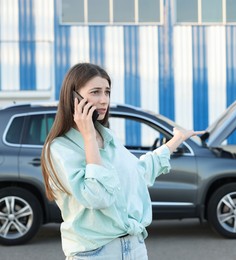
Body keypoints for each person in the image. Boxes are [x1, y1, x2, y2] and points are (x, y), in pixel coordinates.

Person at [41, 63, 204, 259]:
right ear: (74, 98)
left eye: (107, 92)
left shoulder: (107, 138)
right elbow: (97, 197)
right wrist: (89, 136)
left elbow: (139, 173)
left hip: (133, 247)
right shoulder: (60, 148)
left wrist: (176, 140)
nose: (104, 100)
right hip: (95, 252)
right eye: (95, 92)